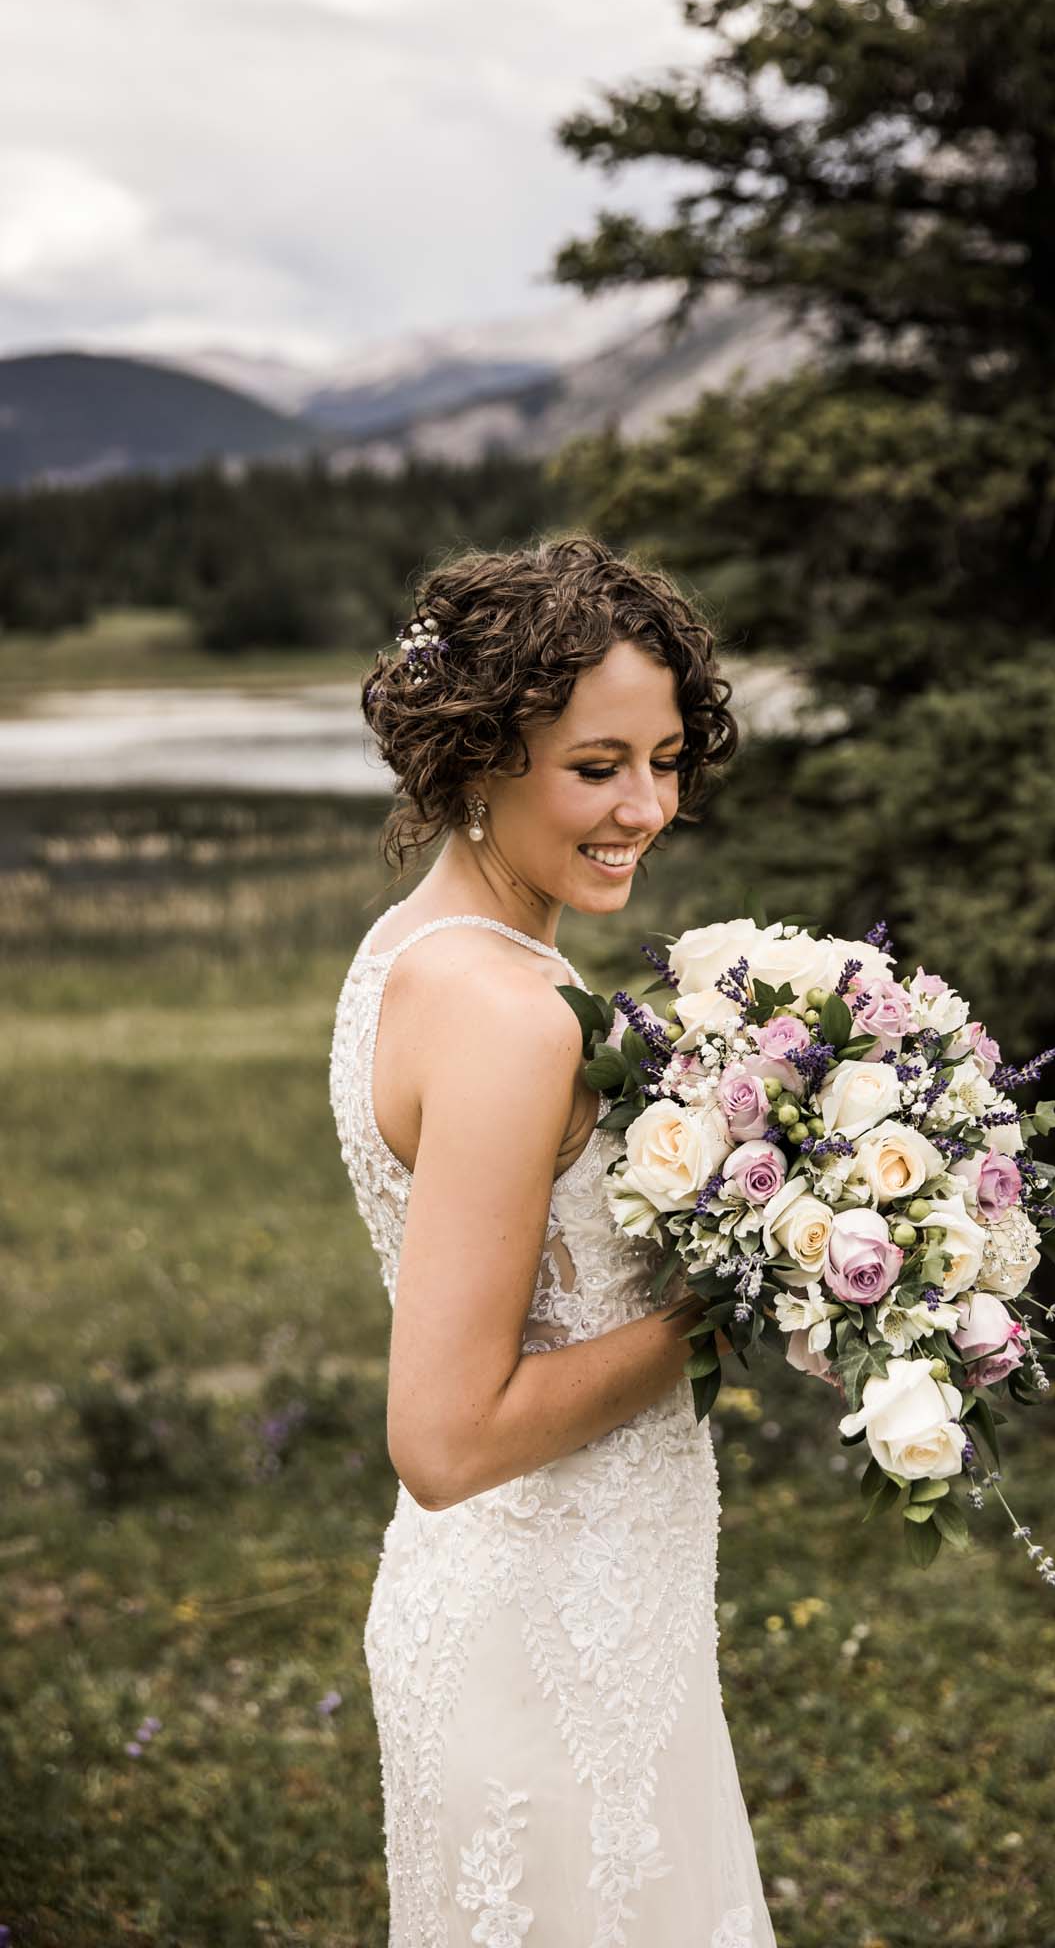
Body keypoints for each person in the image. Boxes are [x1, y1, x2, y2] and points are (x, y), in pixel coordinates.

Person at [328, 534, 776, 1946]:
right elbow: (447, 1439)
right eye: (596, 767)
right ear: (478, 756)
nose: (645, 806)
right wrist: (729, 1305)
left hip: (579, 1615)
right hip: (542, 1649)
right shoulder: (512, 1014)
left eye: (663, 757)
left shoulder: (425, 951)